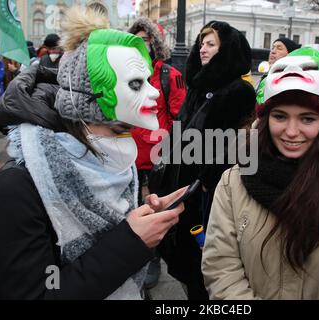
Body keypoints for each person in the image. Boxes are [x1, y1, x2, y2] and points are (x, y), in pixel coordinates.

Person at [0, 7, 186, 300]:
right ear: (95, 96)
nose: (154, 92)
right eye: (137, 84)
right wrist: (132, 241)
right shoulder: (16, 187)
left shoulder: (117, 161)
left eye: (148, 80)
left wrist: (143, 217)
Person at [202, 47, 319, 299]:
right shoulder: (233, 182)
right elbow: (221, 268)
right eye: (280, 116)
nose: (291, 132)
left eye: (307, 119)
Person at [156, 21, 256, 300]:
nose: (203, 48)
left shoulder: (239, 91)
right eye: (202, 43)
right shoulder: (198, 87)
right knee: (185, 260)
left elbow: (234, 148)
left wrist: (206, 183)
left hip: (207, 195)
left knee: (205, 263)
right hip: (182, 187)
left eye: (211, 43)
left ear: (227, 49)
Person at [128, 17, 186, 290]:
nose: (141, 45)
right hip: (127, 156)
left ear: (155, 44)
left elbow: (179, 119)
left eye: (145, 40)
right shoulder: (125, 72)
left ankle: (153, 257)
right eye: (135, 40)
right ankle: (134, 255)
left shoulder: (169, 75)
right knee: (130, 208)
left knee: (153, 208)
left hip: (157, 158)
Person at [256, 37, 300, 104]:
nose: (273, 51)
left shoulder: (290, 80)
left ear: (290, 54)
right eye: (272, 48)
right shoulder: (266, 75)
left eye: (279, 48)